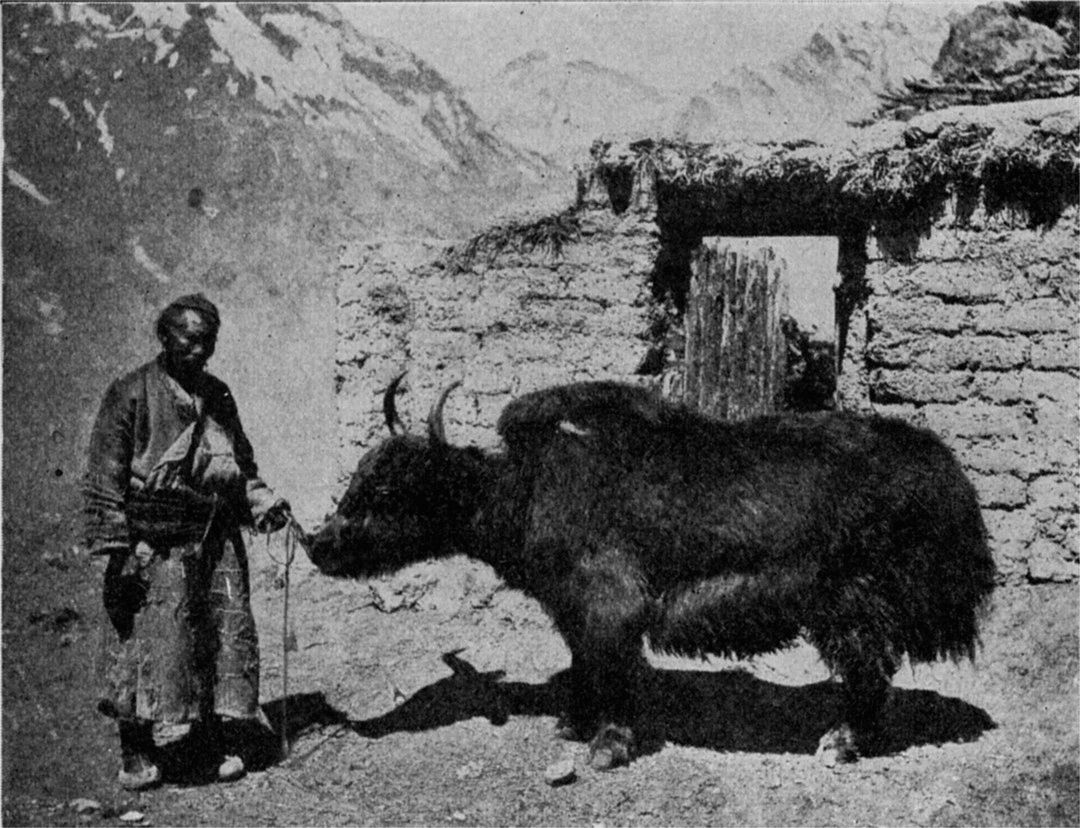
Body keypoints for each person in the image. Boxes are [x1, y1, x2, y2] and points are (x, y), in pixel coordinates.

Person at [84, 294, 291, 790]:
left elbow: (241, 465)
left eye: (208, 341)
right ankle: (135, 750)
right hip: (152, 542)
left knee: (218, 638)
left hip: (214, 538)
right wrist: (120, 549)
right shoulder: (130, 394)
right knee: (145, 642)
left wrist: (263, 502)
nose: (200, 350)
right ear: (165, 336)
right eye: (189, 339)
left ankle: (210, 738)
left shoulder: (218, 396)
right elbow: (104, 478)